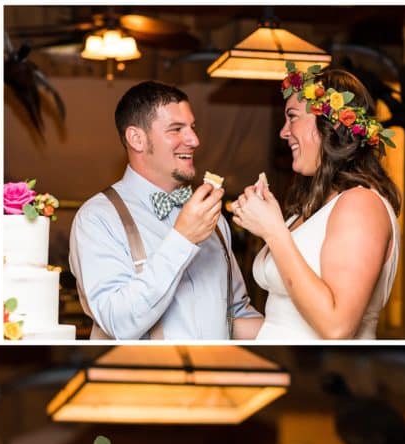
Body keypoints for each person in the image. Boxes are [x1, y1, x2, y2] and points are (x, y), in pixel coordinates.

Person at [69, 80, 263, 340]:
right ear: (137, 138)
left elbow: (234, 314)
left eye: (192, 128)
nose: (194, 140)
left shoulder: (212, 219)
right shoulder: (98, 218)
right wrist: (183, 239)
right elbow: (118, 322)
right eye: (176, 129)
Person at [231, 62, 401, 339]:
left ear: (330, 124)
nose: (283, 132)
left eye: (293, 117)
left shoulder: (362, 205)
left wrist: (273, 232)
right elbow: (282, 326)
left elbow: (336, 327)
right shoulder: (312, 209)